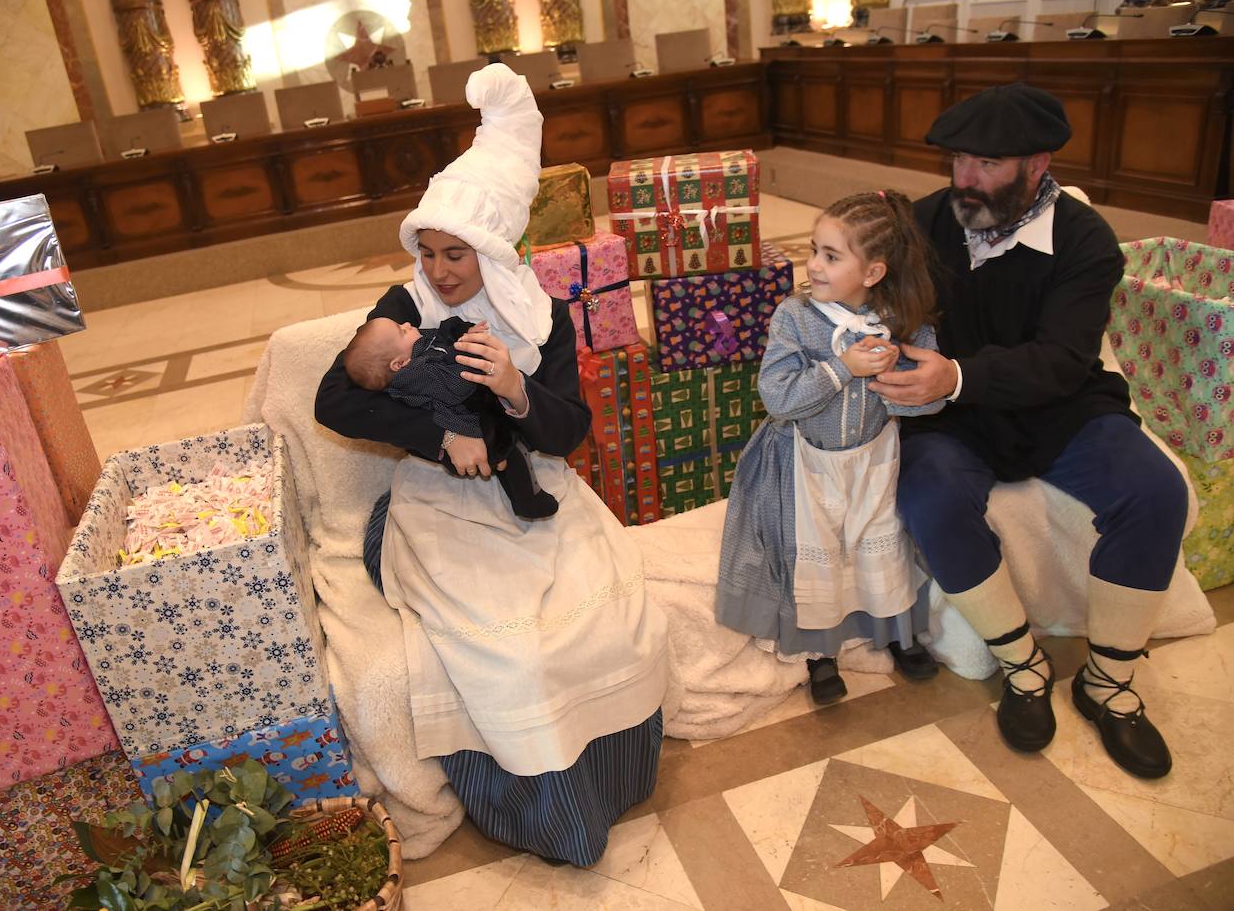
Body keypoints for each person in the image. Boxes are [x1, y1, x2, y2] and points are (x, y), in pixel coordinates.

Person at [313, 63, 669, 866]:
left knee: (600, 620)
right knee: (510, 652)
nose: (440, 272)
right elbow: (336, 400)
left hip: (533, 491)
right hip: (442, 505)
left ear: (495, 251)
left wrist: (513, 388)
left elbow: (568, 431)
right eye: (428, 251)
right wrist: (445, 439)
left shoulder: (539, 317)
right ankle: (543, 817)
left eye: (458, 255)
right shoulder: (405, 308)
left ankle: (606, 787)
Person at [870, 83, 1186, 779]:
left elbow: (1063, 359)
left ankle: (1108, 684)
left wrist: (954, 375)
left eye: (986, 165)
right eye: (958, 161)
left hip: (1059, 406)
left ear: (1037, 164)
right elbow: (871, 296)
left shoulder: (1085, 240)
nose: (965, 180)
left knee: (1158, 492)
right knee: (929, 496)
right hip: (954, 419)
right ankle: (1023, 665)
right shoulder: (927, 221)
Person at [716, 189, 944, 705]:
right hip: (803, 461)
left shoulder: (908, 325)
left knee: (879, 544)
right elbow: (777, 397)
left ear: (873, 273)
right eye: (814, 249)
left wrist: (892, 379)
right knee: (816, 557)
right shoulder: (795, 317)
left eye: (831, 256)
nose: (812, 264)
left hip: (873, 461)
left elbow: (925, 404)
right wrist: (842, 368)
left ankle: (899, 635)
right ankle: (820, 653)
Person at [342, 315, 559, 519]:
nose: (407, 324)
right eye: (402, 331)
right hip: (469, 426)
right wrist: (474, 356)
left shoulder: (415, 352)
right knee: (511, 451)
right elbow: (457, 386)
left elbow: (441, 340)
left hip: (475, 411)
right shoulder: (415, 375)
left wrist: (465, 335)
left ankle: (520, 493)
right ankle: (528, 502)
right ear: (398, 364)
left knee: (510, 448)